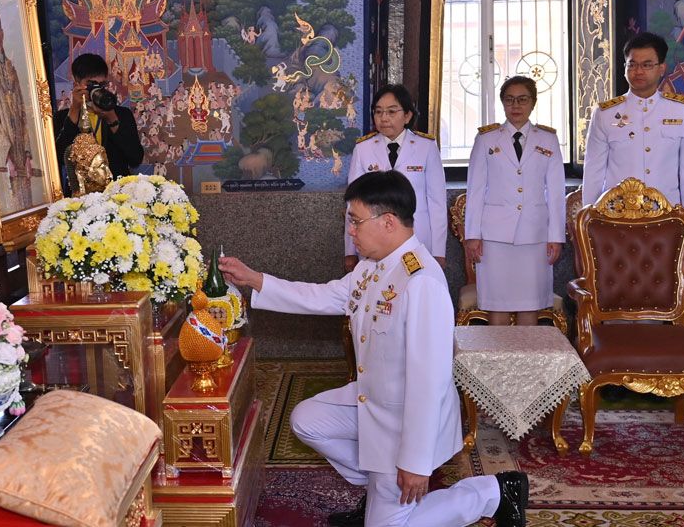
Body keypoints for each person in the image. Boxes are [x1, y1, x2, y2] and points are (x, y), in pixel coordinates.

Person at [219, 171, 529, 527]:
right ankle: (379, 498)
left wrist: (414, 461)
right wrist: (255, 279)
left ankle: (492, 492)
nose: (350, 231)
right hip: (374, 403)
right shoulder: (373, 266)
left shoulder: (421, 280)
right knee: (307, 420)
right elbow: (326, 296)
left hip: (404, 425)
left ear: (388, 222)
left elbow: (429, 382)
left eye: (355, 221)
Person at [464, 76, 565, 325]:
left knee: (529, 306)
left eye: (522, 99)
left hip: (535, 235)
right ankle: (498, 363)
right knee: (497, 304)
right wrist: (472, 235)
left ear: (533, 103)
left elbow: (555, 191)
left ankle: (525, 363)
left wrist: (556, 237)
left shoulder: (548, 139)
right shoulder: (486, 139)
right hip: (494, 237)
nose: (516, 106)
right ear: (502, 103)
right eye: (509, 100)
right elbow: (475, 190)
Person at [582, 32, 684, 220]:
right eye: (632, 64)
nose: (638, 71)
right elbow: (593, 173)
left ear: (662, 68)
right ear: (624, 67)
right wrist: (589, 220)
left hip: (667, 215)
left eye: (646, 65)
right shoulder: (604, 114)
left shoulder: (682, 110)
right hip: (616, 216)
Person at [345, 85, 446, 272]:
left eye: (391, 112)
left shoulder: (426, 147)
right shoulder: (363, 149)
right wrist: (350, 250)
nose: (384, 118)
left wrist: (439, 251)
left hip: (417, 239)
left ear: (407, 116)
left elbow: (437, 203)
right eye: (378, 112)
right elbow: (353, 204)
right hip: (373, 242)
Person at [53, 53, 144, 195]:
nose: (97, 90)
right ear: (77, 84)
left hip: (119, 195)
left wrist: (112, 118)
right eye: (91, 85)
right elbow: (59, 159)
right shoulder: (63, 118)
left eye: (102, 85)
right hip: (79, 199)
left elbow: (135, 159)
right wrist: (74, 110)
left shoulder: (122, 114)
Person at [0, 4, 32, 212]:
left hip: (21, 143)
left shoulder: (11, 65)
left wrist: (28, 155)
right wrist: (7, 155)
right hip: (6, 146)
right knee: (12, 200)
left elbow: (22, 109)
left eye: (0, 25)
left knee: (27, 197)